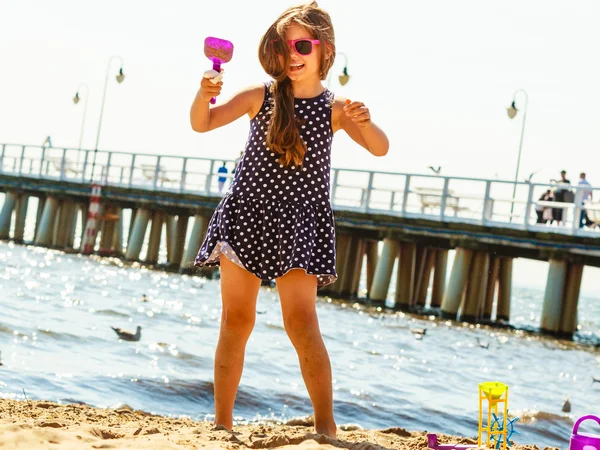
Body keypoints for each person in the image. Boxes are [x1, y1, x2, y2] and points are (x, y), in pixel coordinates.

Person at [189, 1, 388, 438]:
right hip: (247, 217)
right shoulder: (258, 95)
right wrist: (204, 94)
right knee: (235, 320)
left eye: (301, 44)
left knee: (302, 323)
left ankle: (326, 426)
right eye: (283, 45)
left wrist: (367, 122)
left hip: (301, 224)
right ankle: (222, 422)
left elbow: (379, 148)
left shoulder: (336, 108)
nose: (291, 54)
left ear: (325, 50)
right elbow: (202, 124)